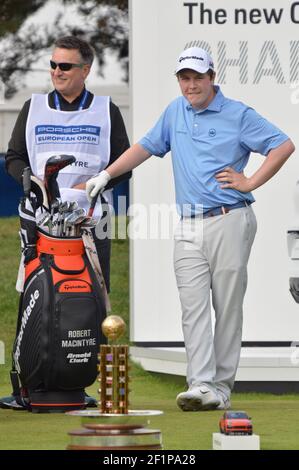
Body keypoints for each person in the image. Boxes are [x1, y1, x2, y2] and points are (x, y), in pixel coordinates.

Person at [85, 47, 295, 411]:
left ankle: (221, 388)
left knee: (226, 306)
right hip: (187, 224)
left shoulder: (238, 113)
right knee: (192, 306)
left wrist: (250, 182)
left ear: (212, 77)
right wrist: (106, 174)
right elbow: (145, 147)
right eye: (185, 77)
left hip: (231, 217)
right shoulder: (174, 111)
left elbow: (283, 145)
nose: (191, 85)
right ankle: (200, 384)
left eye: (198, 77)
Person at [1, 35, 131, 410]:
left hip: (91, 223)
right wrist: (28, 179)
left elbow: (123, 163)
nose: (57, 72)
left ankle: (87, 383)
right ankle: (28, 382)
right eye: (54, 65)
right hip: (39, 222)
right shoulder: (34, 107)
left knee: (92, 303)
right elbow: (14, 157)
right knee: (31, 298)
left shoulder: (107, 110)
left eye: (66, 66)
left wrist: (99, 181)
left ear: (85, 70)